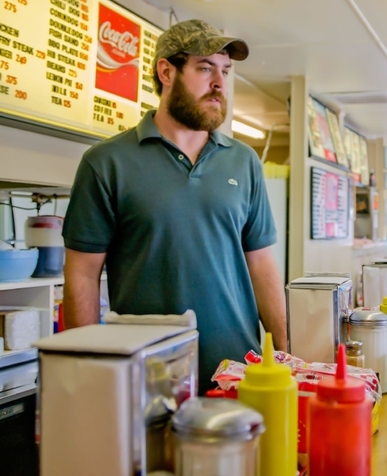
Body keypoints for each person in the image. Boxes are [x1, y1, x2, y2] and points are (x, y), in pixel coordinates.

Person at [62, 20, 287, 393]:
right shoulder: (106, 163)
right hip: (148, 379)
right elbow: (82, 274)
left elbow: (261, 262)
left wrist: (284, 352)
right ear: (166, 72)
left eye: (225, 71)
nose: (219, 83)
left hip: (239, 374)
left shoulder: (244, 162)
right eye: (204, 68)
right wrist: (91, 371)